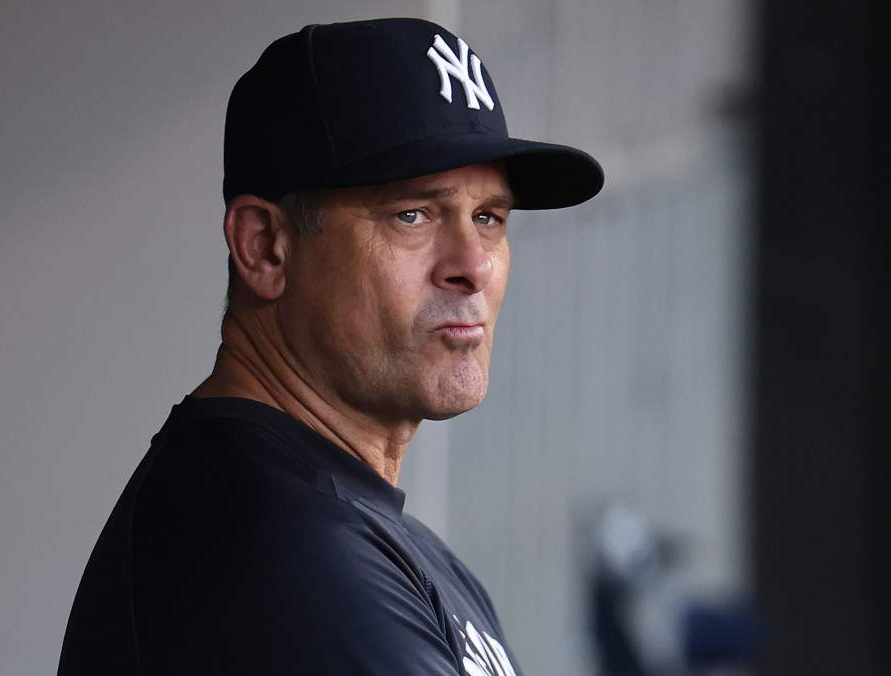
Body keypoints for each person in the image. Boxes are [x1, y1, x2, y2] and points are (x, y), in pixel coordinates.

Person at [58, 17, 603, 676]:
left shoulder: (365, 535)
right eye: (413, 214)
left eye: (488, 217)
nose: (474, 266)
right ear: (265, 247)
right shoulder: (281, 549)